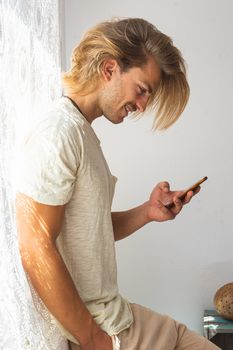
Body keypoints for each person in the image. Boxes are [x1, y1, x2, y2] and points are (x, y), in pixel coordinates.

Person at [15, 18, 220, 350]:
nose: (142, 106)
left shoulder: (82, 134)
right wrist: (94, 340)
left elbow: (86, 229)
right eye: (142, 90)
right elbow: (35, 246)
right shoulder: (59, 134)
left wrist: (147, 211)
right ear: (110, 69)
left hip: (118, 317)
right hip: (105, 332)